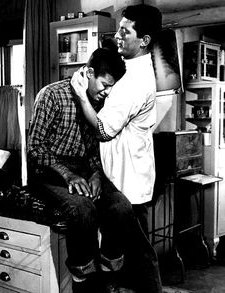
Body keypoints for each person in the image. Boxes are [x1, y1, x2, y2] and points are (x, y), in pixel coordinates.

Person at [27, 47, 140, 293]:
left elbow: (95, 150)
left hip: (85, 169)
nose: (107, 92)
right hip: (49, 171)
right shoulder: (51, 95)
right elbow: (35, 148)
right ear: (89, 73)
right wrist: (67, 174)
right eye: (104, 84)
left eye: (112, 87)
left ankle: (109, 274)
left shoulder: (99, 103)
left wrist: (97, 174)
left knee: (121, 206)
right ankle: (84, 280)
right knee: (82, 208)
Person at [71, 4, 163, 293]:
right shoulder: (129, 67)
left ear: (144, 40)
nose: (118, 35)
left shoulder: (135, 81)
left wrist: (81, 96)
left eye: (126, 30)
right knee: (120, 257)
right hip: (120, 179)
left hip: (129, 183)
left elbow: (103, 130)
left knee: (140, 257)